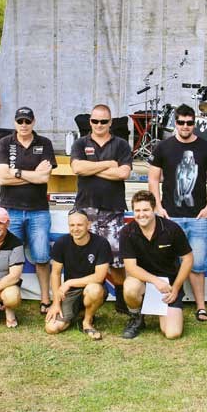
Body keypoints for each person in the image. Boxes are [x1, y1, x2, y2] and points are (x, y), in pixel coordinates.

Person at [148, 103, 207, 322]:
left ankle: (201, 306)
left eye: (190, 123)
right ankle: (167, 303)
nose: (186, 126)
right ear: (175, 123)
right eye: (181, 122)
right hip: (170, 216)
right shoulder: (163, 147)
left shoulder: (206, 148)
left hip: (197, 217)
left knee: (197, 265)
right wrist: (158, 207)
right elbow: (153, 178)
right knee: (166, 263)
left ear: (194, 124)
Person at [0, 106, 57, 313]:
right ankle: (4, 297)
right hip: (10, 210)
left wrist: (17, 173)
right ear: (14, 122)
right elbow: (2, 178)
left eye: (27, 121)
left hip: (38, 210)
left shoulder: (44, 143)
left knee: (41, 256)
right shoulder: (4, 143)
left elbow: (44, 178)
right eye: (19, 121)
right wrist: (32, 176)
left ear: (33, 122)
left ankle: (45, 299)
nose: (23, 125)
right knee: (8, 257)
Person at [70, 103, 132, 314]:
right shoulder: (80, 143)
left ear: (110, 122)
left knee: (116, 258)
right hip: (84, 209)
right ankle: (86, 296)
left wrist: (91, 169)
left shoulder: (121, 144)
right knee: (84, 256)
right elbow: (77, 168)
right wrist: (108, 165)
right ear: (90, 122)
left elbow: (123, 173)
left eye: (103, 121)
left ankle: (122, 295)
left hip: (112, 209)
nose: (99, 125)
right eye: (95, 121)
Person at [119, 190, 194, 340]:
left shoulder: (171, 229)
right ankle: (137, 319)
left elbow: (188, 259)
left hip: (168, 286)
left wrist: (176, 288)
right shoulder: (127, 232)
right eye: (137, 210)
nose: (141, 214)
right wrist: (155, 281)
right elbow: (131, 267)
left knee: (172, 333)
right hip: (143, 282)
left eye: (146, 210)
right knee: (130, 287)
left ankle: (163, 311)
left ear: (154, 210)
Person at [45, 209, 111, 340]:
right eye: (72, 225)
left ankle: (87, 321)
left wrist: (69, 283)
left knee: (94, 289)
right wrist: (56, 303)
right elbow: (55, 274)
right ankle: (76, 313)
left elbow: (99, 277)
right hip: (71, 293)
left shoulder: (101, 243)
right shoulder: (61, 243)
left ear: (88, 225)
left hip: (92, 288)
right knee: (51, 328)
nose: (76, 229)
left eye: (80, 225)